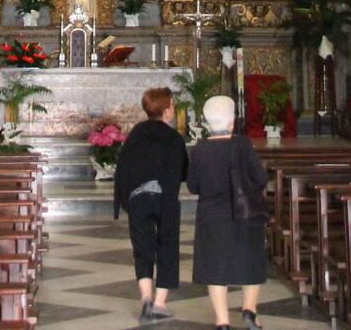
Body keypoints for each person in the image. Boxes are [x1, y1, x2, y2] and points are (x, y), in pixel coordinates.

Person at [188, 96, 269, 330]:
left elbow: (193, 186)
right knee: (250, 260)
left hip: (212, 215)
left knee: (215, 266)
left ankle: (222, 320)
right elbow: (260, 179)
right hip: (245, 213)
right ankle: (249, 310)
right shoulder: (242, 145)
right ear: (232, 121)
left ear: (207, 122)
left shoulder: (200, 149)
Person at [114, 88, 186, 321]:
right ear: (165, 110)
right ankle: (160, 304)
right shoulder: (173, 137)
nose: (173, 108)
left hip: (138, 199)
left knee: (142, 248)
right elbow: (183, 171)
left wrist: (126, 199)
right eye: (172, 105)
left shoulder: (136, 134)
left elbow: (123, 167)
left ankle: (146, 299)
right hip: (166, 199)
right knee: (168, 247)